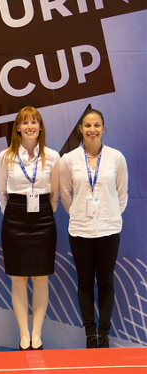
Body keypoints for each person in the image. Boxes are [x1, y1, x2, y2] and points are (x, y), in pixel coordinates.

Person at [59, 108, 128, 349]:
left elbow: (122, 193)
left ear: (103, 128)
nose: (92, 130)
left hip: (109, 229)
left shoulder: (116, 158)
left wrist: (109, 215)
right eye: (87, 125)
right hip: (80, 230)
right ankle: (90, 334)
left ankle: (104, 334)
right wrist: (78, 213)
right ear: (80, 129)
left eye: (96, 125)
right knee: (85, 282)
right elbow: (66, 193)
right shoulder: (68, 160)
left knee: (106, 281)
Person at [0, 106, 59, 350]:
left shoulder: (52, 156)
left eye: (34, 122)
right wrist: (14, 212)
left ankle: (37, 333)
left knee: (41, 278)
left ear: (40, 127)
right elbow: (1, 192)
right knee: (19, 278)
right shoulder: (5, 157)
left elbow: (54, 193)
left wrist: (45, 211)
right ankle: (24, 334)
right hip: (15, 217)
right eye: (25, 122)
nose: (30, 126)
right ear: (18, 128)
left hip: (43, 217)